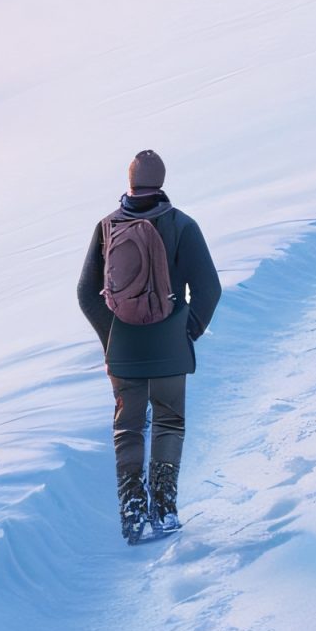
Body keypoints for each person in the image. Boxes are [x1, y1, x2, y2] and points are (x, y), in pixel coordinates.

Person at [77, 149, 221, 545]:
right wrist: (187, 331)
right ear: (161, 181)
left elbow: (86, 293)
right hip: (170, 349)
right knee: (168, 422)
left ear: (130, 182)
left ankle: (132, 512)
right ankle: (164, 509)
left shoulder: (107, 227)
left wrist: (112, 336)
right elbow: (209, 288)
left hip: (123, 353)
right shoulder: (181, 225)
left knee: (128, 428)